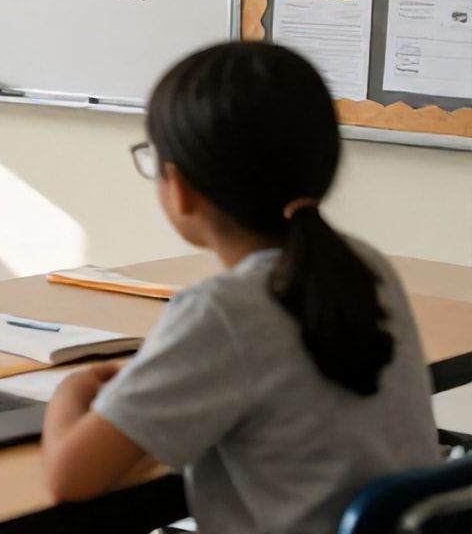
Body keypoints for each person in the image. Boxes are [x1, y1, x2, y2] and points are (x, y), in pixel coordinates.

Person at [40, 41, 436, 533]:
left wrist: (71, 390)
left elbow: (70, 478)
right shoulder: (365, 266)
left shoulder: (222, 312)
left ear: (179, 187)